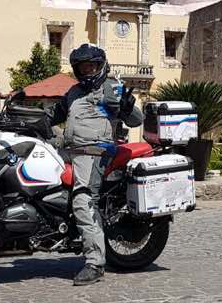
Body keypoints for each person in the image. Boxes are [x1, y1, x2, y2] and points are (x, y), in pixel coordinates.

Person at [47, 44, 141, 286]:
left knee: (83, 197)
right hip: (69, 151)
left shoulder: (110, 88)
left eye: (92, 66)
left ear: (100, 66)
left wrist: (128, 107)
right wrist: (22, 115)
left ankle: (95, 262)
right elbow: (52, 115)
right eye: (83, 67)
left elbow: (135, 119)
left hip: (95, 152)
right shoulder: (74, 92)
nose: (88, 71)